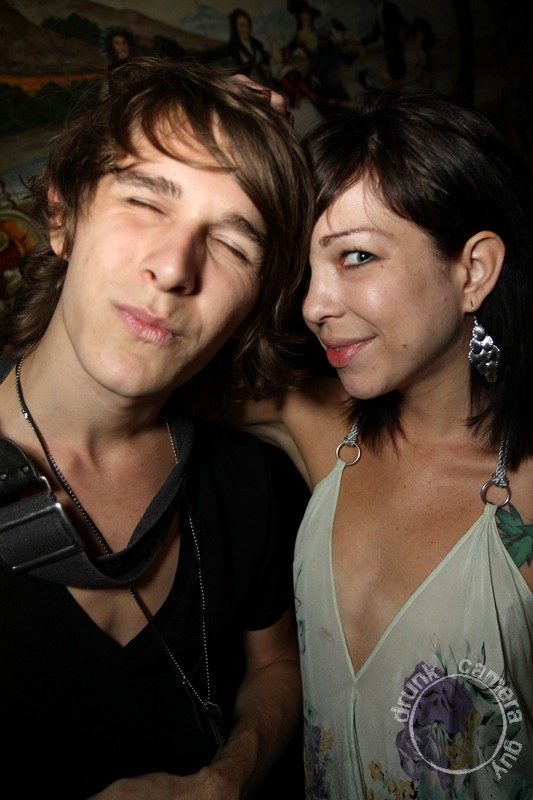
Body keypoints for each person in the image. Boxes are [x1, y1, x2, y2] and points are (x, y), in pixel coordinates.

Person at [0, 56, 314, 799]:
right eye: (145, 200)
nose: (175, 268)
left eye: (233, 244)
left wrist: (226, 779)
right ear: (62, 216)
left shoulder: (244, 481)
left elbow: (276, 663)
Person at [223, 89, 533, 797]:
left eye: (357, 256)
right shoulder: (327, 429)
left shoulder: (523, 489)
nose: (313, 305)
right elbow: (156, 367)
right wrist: (229, 144)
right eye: (306, 268)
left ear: (472, 271)